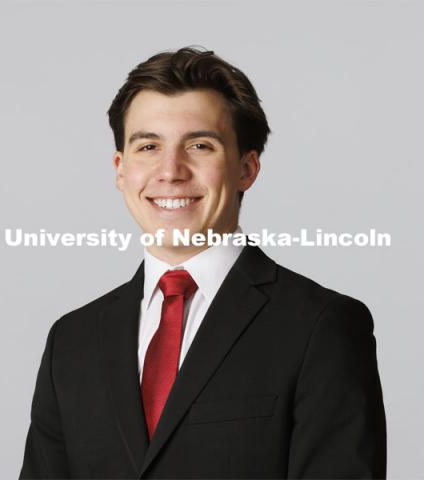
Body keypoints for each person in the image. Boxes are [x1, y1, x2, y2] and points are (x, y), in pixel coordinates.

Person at [19, 47, 386, 479]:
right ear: (121, 170)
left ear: (247, 169)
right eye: (148, 146)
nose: (170, 170)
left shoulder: (322, 327)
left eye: (199, 145)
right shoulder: (72, 340)